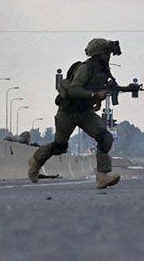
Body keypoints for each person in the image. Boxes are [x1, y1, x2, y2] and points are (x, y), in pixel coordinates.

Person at [28, 39, 122, 189]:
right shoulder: (85, 68)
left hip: (85, 113)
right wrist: (94, 96)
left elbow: (97, 89)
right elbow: (74, 89)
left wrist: (100, 98)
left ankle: (102, 175)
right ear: (97, 54)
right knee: (59, 147)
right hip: (68, 112)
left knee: (105, 137)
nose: (108, 56)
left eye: (109, 53)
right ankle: (36, 161)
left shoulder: (103, 71)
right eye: (105, 53)